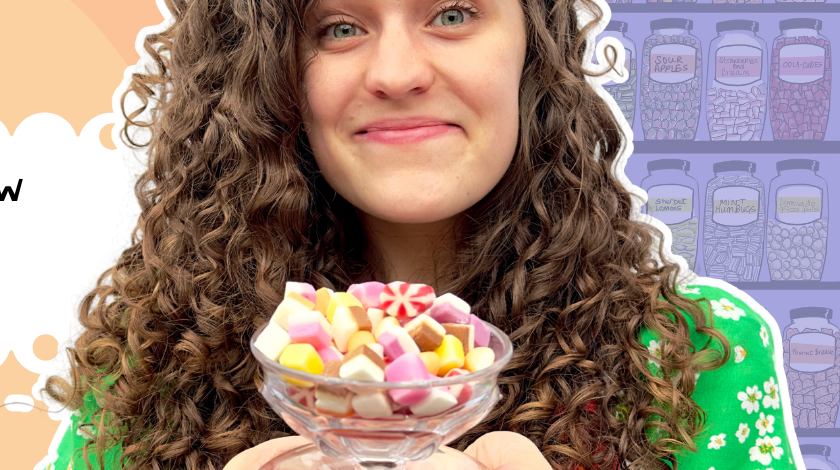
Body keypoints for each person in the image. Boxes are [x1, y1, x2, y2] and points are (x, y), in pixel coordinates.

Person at [40, 0, 803, 469]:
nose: (398, 72)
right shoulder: (148, 368)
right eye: (339, 27)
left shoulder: (698, 358)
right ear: (269, 79)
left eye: (453, 13)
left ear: (532, 52)